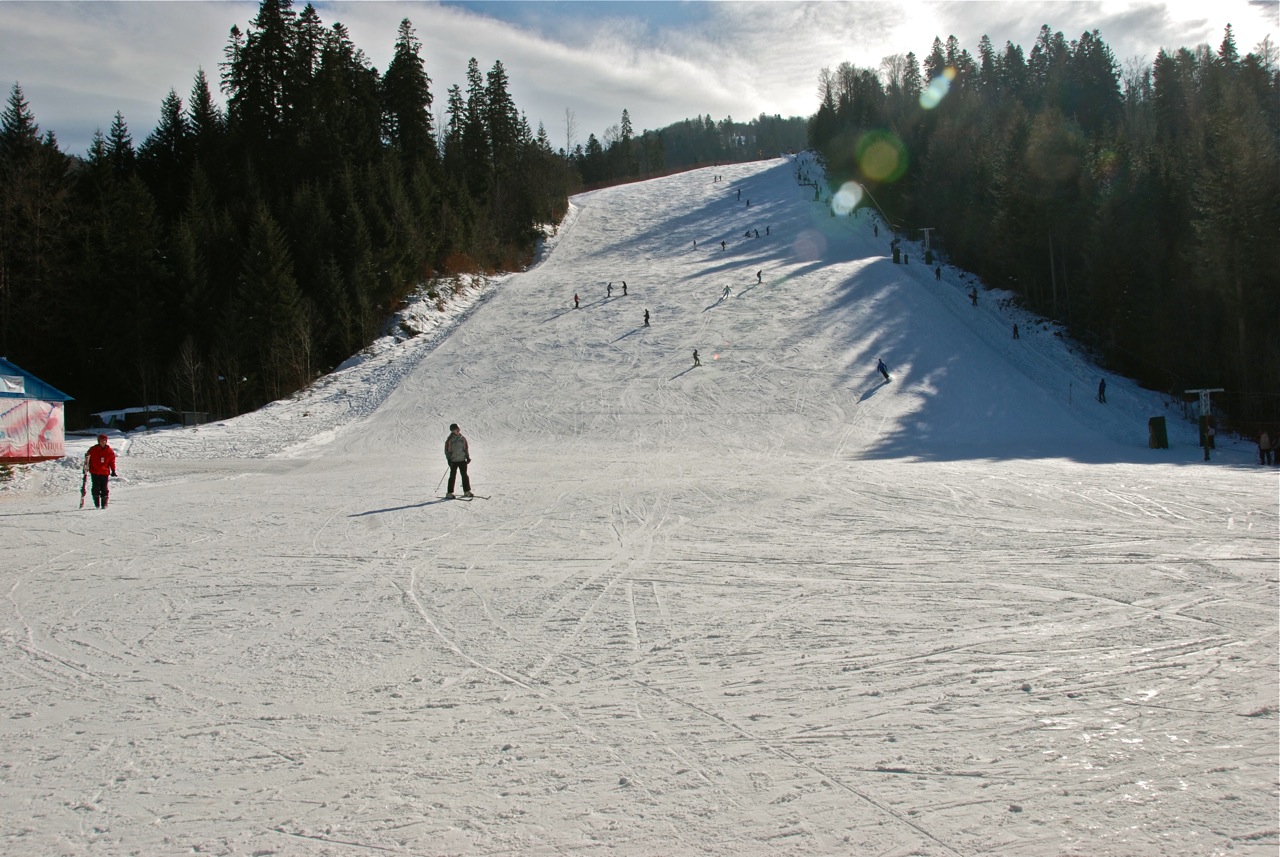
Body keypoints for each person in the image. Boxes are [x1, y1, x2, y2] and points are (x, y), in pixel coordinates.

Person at [85, 434, 118, 509]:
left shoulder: (109, 451)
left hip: (104, 472)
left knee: (104, 487)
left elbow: (112, 461)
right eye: (101, 441)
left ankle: (104, 503)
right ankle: (96, 503)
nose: (103, 442)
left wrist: (113, 470)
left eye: (104, 441)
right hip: (94, 471)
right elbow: (87, 459)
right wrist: (86, 466)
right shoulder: (93, 449)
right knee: (95, 487)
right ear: (98, 441)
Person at [444, 423, 472, 498]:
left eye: (459, 429)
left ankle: (467, 491)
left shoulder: (462, 438)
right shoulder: (449, 440)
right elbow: (447, 451)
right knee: (452, 476)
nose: (458, 431)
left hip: (462, 460)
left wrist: (468, 457)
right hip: (453, 461)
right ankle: (449, 492)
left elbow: (465, 449)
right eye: (457, 429)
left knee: (465, 475)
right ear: (453, 431)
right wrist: (449, 460)